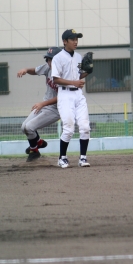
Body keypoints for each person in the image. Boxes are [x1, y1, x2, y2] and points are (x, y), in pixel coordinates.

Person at [51, 29, 91, 168]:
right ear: (65, 41)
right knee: (68, 128)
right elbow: (56, 79)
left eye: (77, 39)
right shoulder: (58, 58)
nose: (75, 42)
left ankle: (83, 158)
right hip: (65, 95)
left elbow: (79, 76)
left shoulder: (78, 57)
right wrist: (74, 82)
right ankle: (62, 158)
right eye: (73, 39)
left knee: (85, 127)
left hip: (78, 94)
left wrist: (88, 71)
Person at [17, 47, 62, 162]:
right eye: (48, 59)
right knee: (24, 127)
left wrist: (43, 103)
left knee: (29, 127)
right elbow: (35, 70)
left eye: (52, 60)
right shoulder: (48, 68)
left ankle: (34, 151)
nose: (49, 62)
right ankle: (38, 142)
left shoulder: (64, 74)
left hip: (55, 110)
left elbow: (62, 97)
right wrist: (26, 70)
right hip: (44, 104)